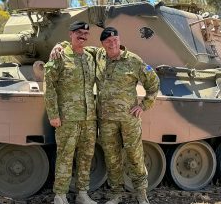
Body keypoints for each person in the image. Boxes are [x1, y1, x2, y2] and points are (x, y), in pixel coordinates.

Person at [97, 27, 159, 204]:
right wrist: (60, 46)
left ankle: (141, 193)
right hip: (107, 120)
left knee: (135, 155)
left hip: (129, 120)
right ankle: (116, 193)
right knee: (112, 157)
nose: (113, 43)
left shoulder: (133, 60)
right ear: (102, 44)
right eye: (108, 41)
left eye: (115, 39)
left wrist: (144, 105)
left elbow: (153, 82)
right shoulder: (99, 57)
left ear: (119, 39)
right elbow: (77, 45)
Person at [44, 21, 98, 204]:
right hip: (67, 118)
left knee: (86, 156)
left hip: (89, 118)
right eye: (78, 33)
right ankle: (60, 195)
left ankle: (82, 194)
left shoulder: (90, 57)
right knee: (65, 156)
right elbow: (49, 85)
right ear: (70, 34)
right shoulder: (59, 55)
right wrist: (53, 114)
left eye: (85, 33)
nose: (82, 36)